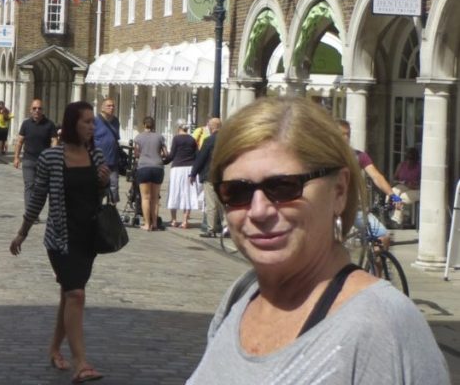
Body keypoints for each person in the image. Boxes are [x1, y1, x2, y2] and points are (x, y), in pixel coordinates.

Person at [186, 96, 449, 384]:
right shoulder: (243, 294)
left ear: (339, 191)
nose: (258, 210)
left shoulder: (383, 325)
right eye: (236, 192)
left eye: (284, 187)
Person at [9, 101, 110, 383]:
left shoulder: (96, 154)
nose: (92, 126)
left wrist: (103, 183)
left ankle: (54, 348)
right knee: (76, 295)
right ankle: (81, 363)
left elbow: (100, 197)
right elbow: (38, 197)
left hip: (87, 238)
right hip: (60, 238)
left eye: (93, 122)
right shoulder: (51, 158)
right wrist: (23, 232)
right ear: (72, 123)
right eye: (87, 122)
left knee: (69, 295)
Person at [13, 99, 59, 210]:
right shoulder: (26, 124)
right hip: (29, 160)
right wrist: (16, 157)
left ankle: (35, 210)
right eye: (34, 108)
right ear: (30, 110)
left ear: (43, 110)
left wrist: (54, 157)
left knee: (41, 187)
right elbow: (19, 141)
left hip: (44, 161)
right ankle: (30, 212)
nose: (37, 110)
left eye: (39, 108)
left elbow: (54, 140)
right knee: (29, 185)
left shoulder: (49, 124)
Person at [133, 115, 168, 231]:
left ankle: (147, 224)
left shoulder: (138, 137)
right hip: (158, 167)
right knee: (155, 198)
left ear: (144, 125)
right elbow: (165, 153)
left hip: (144, 167)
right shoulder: (160, 137)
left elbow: (136, 154)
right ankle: (155, 224)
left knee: (145, 197)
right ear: (154, 125)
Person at [165, 122, 201, 229]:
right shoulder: (192, 139)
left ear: (179, 128)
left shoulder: (176, 139)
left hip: (177, 168)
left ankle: (174, 220)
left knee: (174, 191)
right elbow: (197, 155)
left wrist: (163, 161)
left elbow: (171, 155)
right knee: (187, 193)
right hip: (189, 167)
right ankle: (185, 221)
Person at [191, 116, 222, 236]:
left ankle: (211, 229)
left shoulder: (209, 140)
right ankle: (226, 227)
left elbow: (201, 158)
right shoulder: (227, 140)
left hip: (210, 175)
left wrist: (193, 173)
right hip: (223, 175)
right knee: (222, 203)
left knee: (211, 203)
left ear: (211, 127)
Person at [92, 97, 122, 203]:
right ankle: (97, 210)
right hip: (98, 162)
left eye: (113, 106)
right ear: (102, 108)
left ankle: (112, 212)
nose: (111, 108)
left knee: (114, 187)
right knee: (98, 189)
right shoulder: (95, 121)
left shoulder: (116, 121)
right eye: (108, 106)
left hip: (113, 161)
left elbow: (116, 138)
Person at [392, 147, 421, 227]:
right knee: (394, 191)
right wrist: (400, 182)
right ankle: (396, 215)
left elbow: (423, 182)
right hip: (403, 185)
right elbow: (394, 179)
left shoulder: (419, 167)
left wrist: (415, 184)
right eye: (408, 158)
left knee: (402, 197)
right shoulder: (401, 165)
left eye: (411, 159)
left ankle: (397, 219)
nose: (409, 161)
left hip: (415, 188)